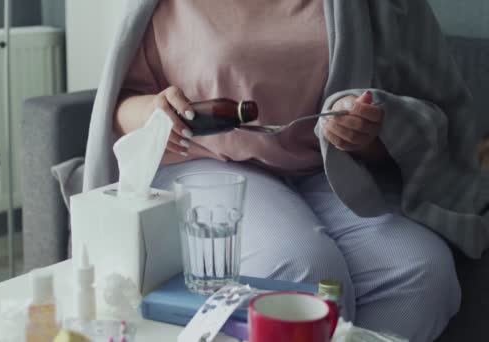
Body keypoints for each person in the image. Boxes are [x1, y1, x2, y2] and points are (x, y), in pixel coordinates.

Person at [76, 1, 489, 340]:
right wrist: (151, 113)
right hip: (207, 163)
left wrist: (366, 131)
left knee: (421, 271)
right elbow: (120, 103)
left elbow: (425, 111)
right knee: (303, 267)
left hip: (326, 168)